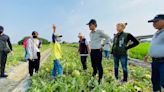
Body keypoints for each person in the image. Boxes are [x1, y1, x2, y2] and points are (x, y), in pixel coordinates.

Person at [87, 19, 110, 83]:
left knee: (99, 65)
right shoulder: (90, 33)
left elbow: (108, 37)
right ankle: (94, 73)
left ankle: (100, 78)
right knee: (93, 64)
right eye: (88, 25)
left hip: (98, 51)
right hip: (92, 51)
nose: (89, 26)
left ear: (94, 25)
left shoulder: (99, 31)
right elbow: (92, 42)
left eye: (90, 25)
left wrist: (103, 46)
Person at [147, 14, 164, 92]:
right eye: (153, 22)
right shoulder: (156, 33)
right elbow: (154, 45)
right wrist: (148, 54)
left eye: (156, 21)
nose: (153, 24)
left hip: (162, 62)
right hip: (155, 62)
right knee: (155, 81)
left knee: (163, 82)